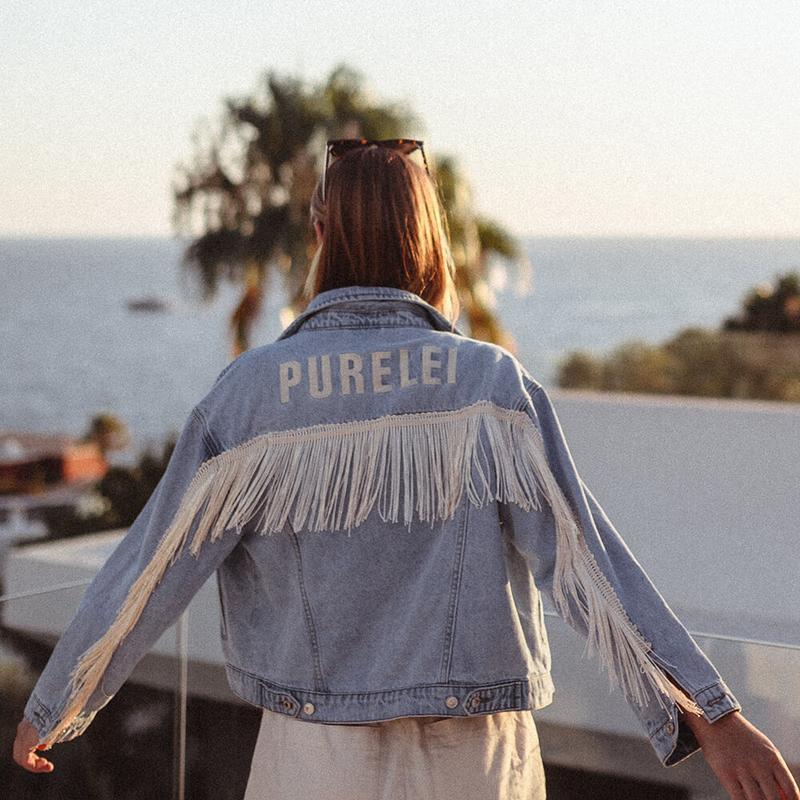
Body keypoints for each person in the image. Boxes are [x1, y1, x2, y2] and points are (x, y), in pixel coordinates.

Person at [13, 139, 799, 800]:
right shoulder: (487, 384)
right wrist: (715, 718)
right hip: (477, 757)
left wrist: (54, 703)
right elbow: (589, 568)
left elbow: (152, 568)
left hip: (311, 756)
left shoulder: (251, 394)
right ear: (429, 236)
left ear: (321, 233)